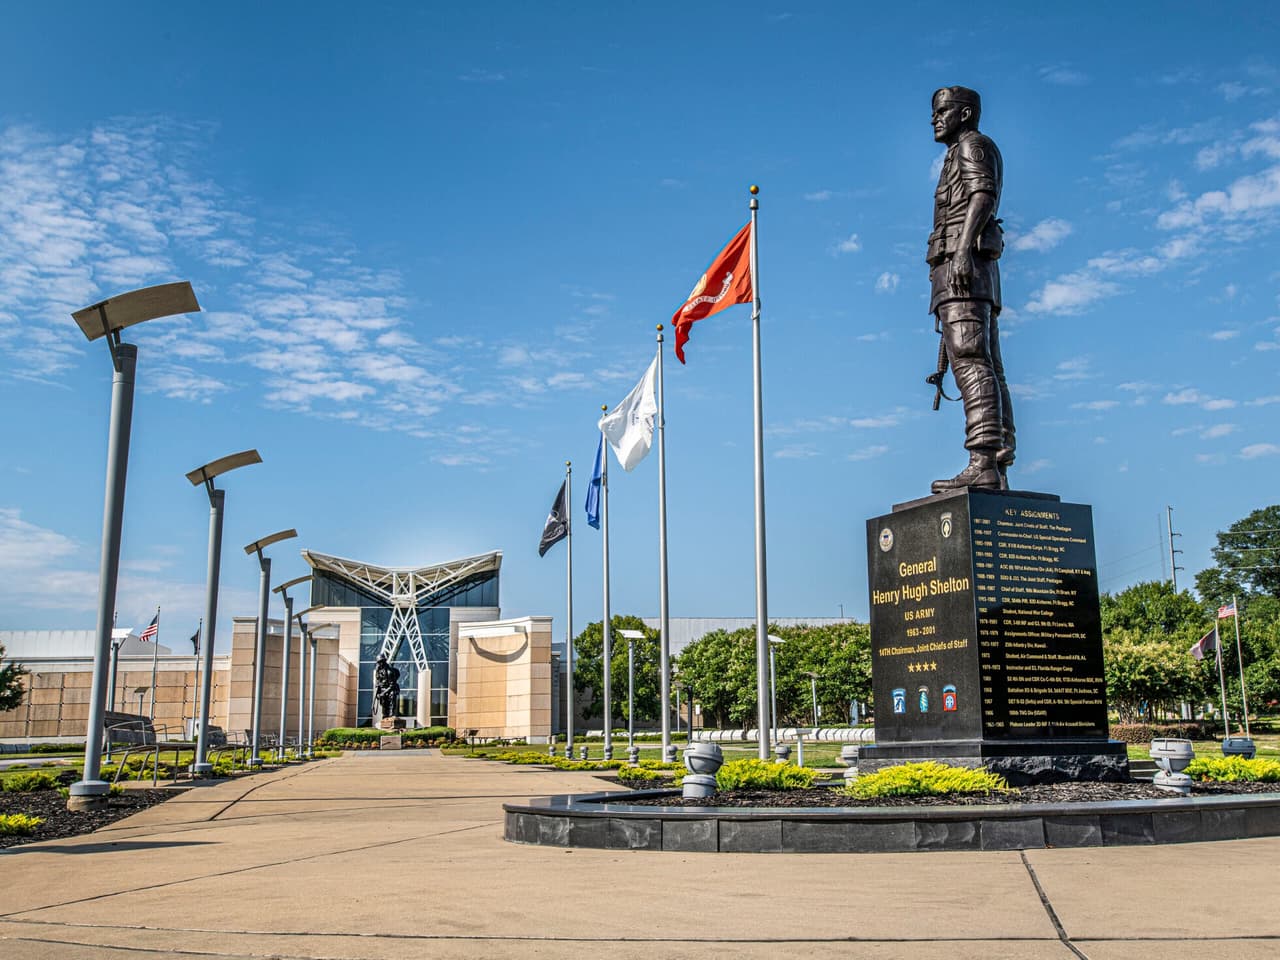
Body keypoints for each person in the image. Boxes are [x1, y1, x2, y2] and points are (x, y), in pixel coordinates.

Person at [926, 85, 1015, 492]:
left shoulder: (972, 145)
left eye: (943, 110)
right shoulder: (955, 153)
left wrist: (962, 250)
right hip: (961, 270)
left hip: (964, 268)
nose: (935, 118)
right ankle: (996, 458)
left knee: (970, 359)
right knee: (984, 361)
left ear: (964, 114)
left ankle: (983, 461)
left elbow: (983, 195)